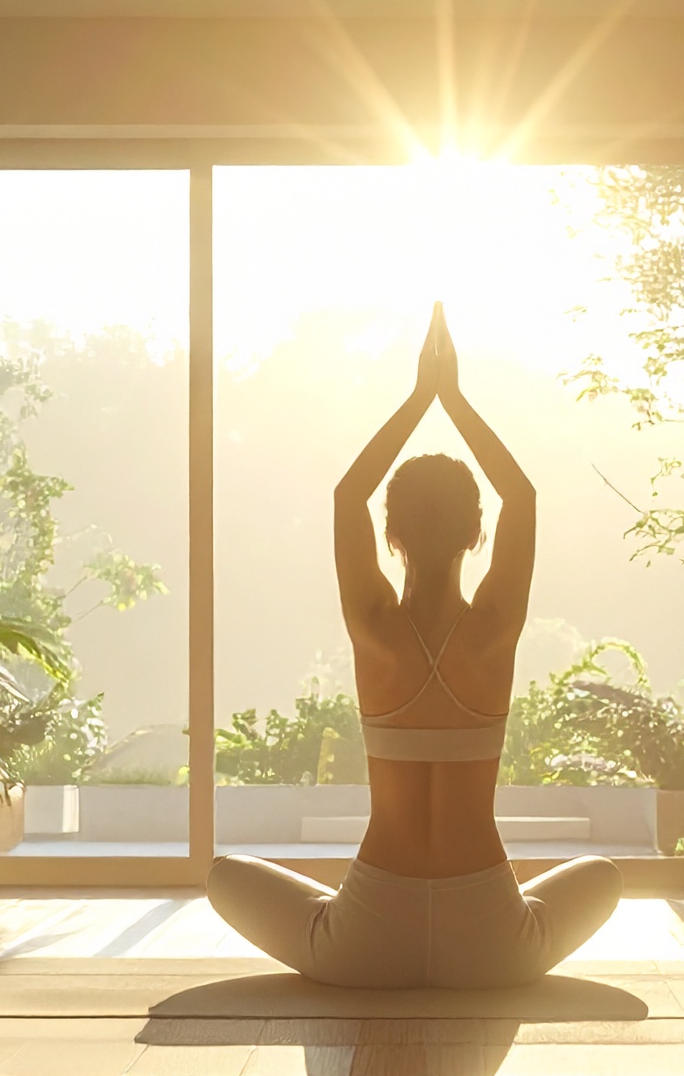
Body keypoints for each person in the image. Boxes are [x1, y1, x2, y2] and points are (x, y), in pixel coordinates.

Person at [206, 304, 621, 987]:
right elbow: (521, 496)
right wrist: (452, 398)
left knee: (225, 875)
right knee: (602, 874)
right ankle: (483, 941)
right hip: (492, 942)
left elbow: (348, 495)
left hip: (367, 937)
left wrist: (419, 396)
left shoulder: (374, 629)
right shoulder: (494, 630)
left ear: (390, 536)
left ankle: (355, 930)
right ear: (476, 536)